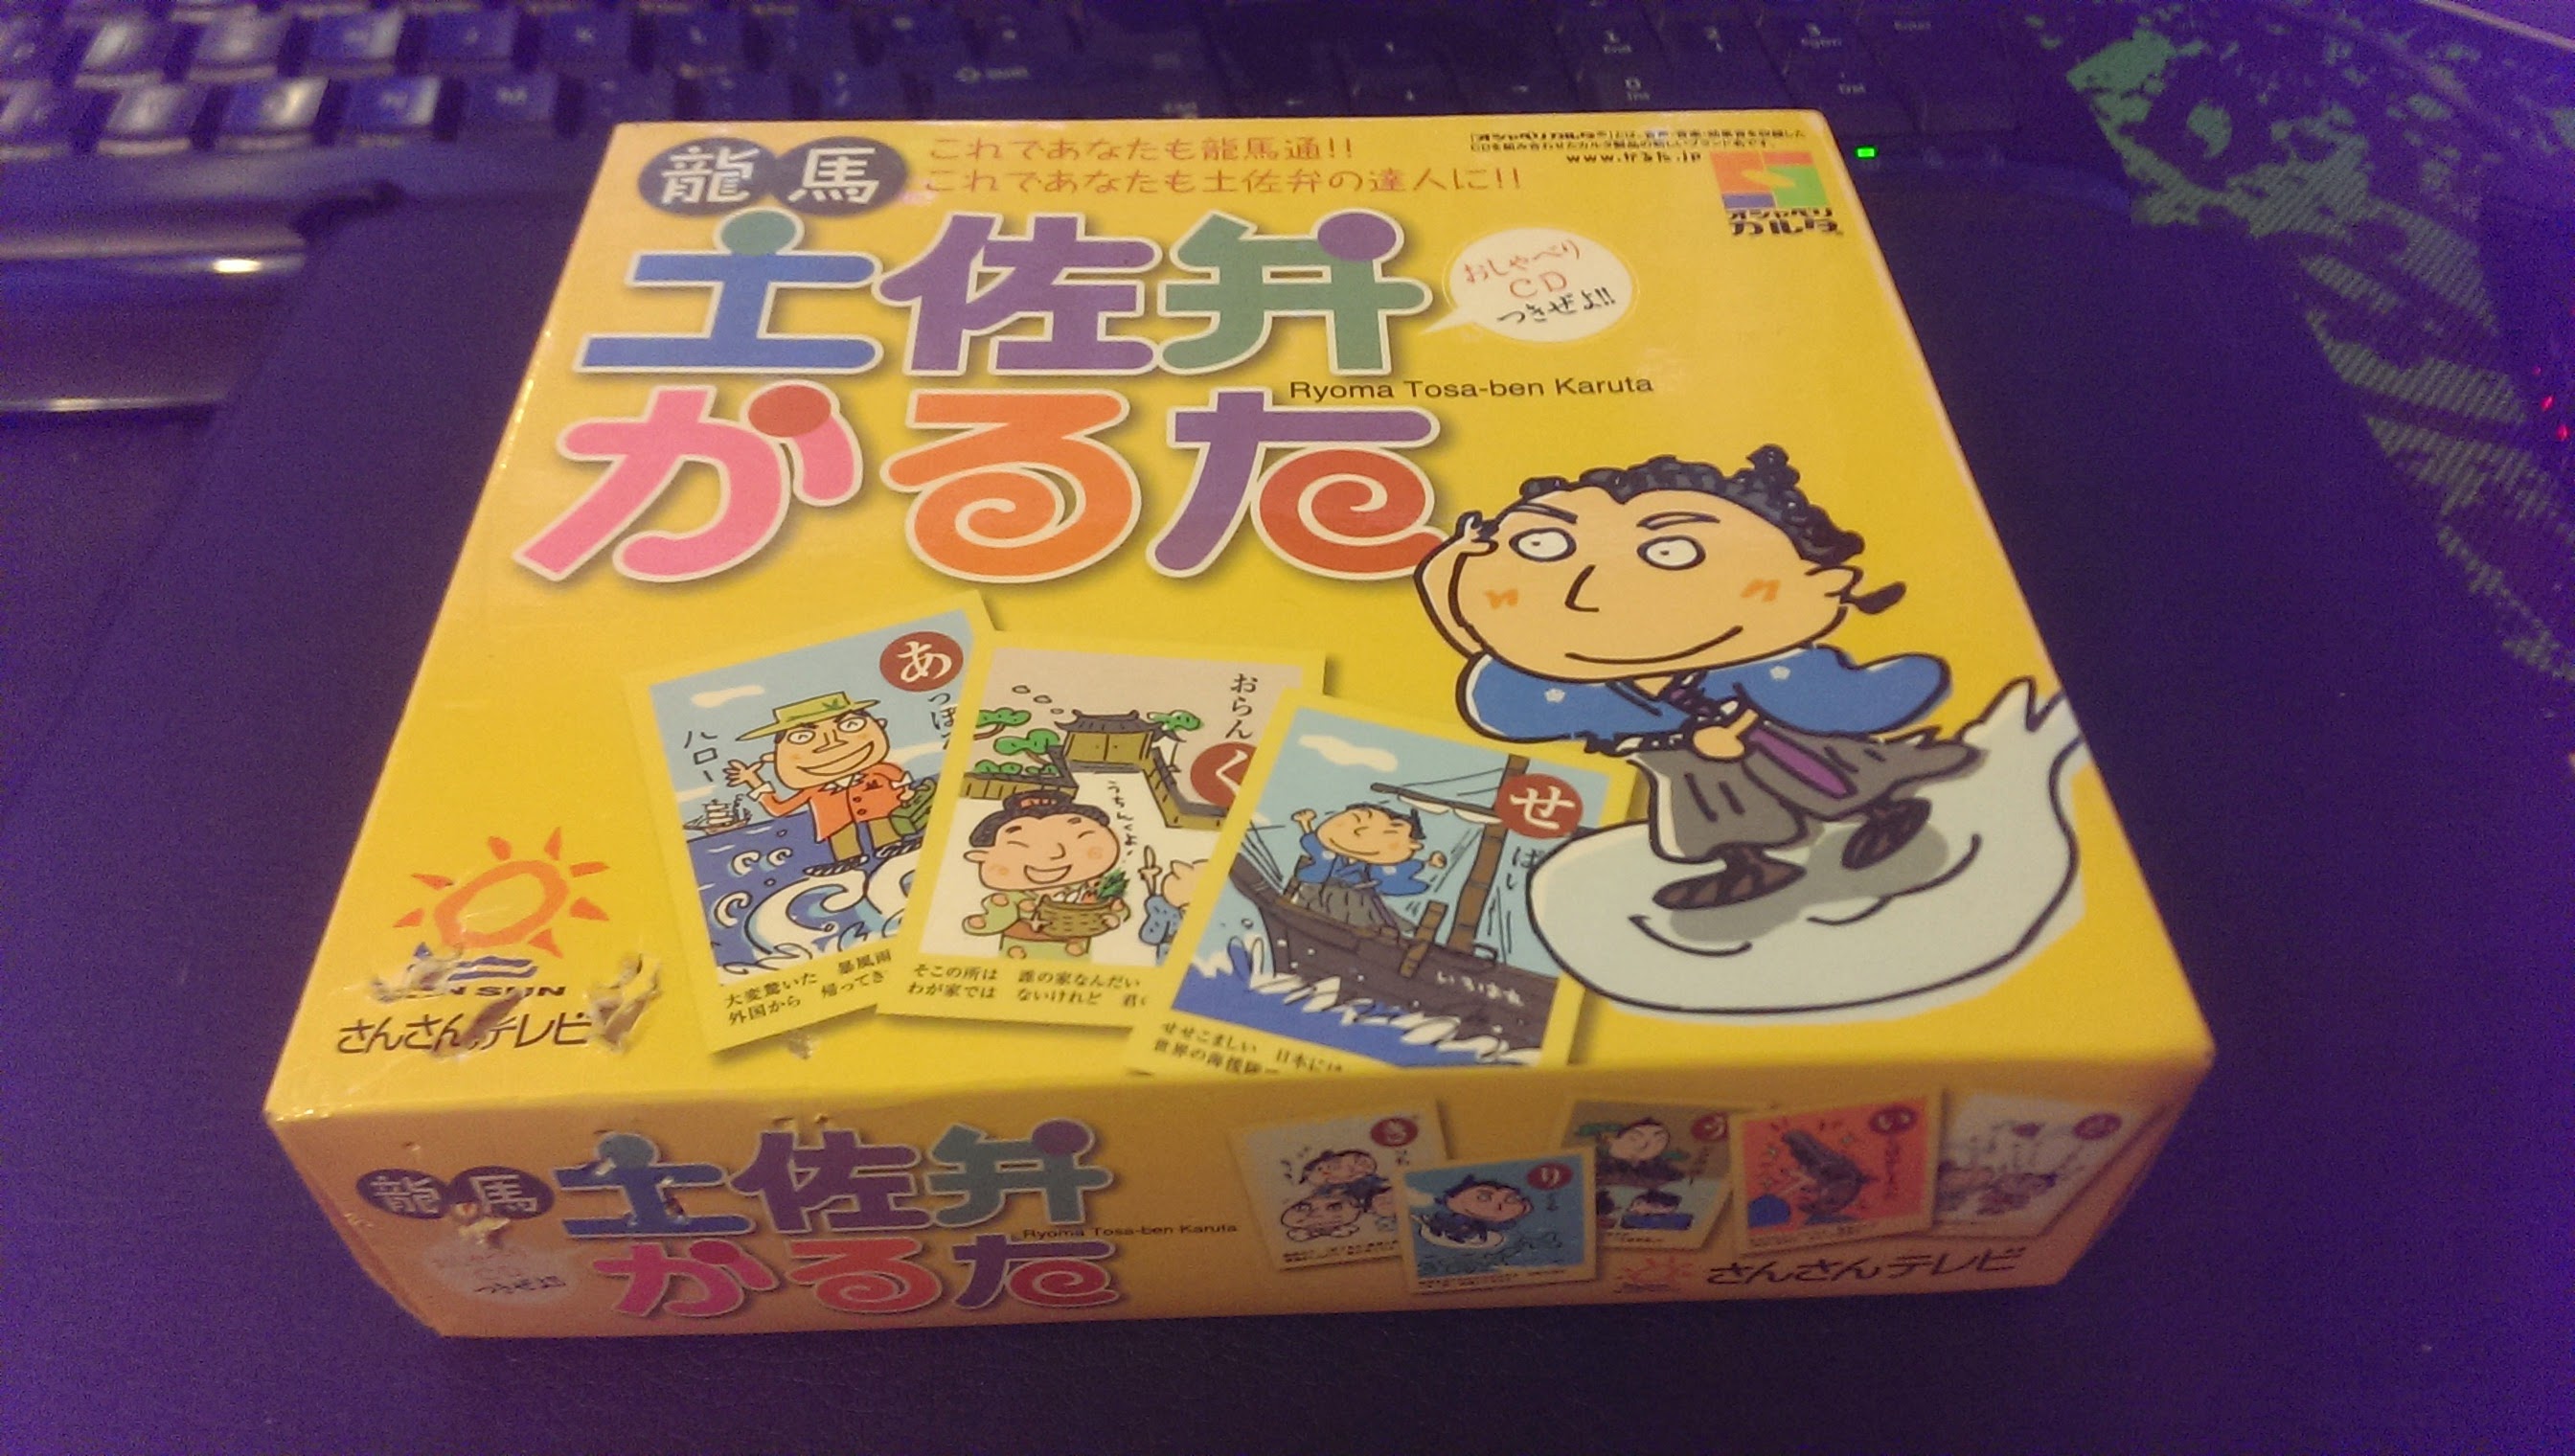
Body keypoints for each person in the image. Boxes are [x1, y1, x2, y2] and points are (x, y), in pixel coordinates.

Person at [1417, 449, 1974, 911]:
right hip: (1677, 757)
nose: (1586, 591)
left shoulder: (1760, 664)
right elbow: (1497, 679)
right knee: (1705, 812)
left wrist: (1741, 725)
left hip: (1762, 735)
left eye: (1671, 552)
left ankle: (1885, 814)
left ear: (1819, 580)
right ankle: (1746, 865)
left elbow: (1831, 697)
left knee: (1825, 774)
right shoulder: (1565, 687)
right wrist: (1445, 574)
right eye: (1542, 545)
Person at [725, 693, 919, 873]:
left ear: (879, 725)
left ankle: (889, 845)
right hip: (835, 824)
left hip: (883, 814)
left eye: (851, 725)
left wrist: (906, 793)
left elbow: (899, 778)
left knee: (882, 825)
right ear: (774, 757)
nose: (831, 744)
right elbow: (779, 809)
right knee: (841, 835)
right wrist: (753, 781)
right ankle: (848, 859)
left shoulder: (878, 771)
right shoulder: (814, 790)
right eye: (802, 737)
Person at [958, 789, 1128, 959]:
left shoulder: (1091, 889)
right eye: (1019, 845)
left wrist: (1115, 915)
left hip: (1076, 961)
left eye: (1081, 836)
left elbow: (1112, 909)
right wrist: (984, 922)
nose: (1054, 854)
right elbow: (997, 918)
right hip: (1020, 955)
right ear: (982, 855)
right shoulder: (1014, 898)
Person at [1286, 803, 1447, 930]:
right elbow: (1314, 845)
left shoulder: (1374, 868)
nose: (1360, 833)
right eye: (1355, 823)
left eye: (1388, 834)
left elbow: (1396, 875)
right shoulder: (1331, 855)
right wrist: (1305, 823)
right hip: (1321, 893)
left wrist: (1426, 863)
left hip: (1356, 901)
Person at [1415, 1175, 1532, 1247]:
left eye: (1510, 1200)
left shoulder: (1492, 1226)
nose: (1495, 1205)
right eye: (1483, 1197)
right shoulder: (1455, 1214)